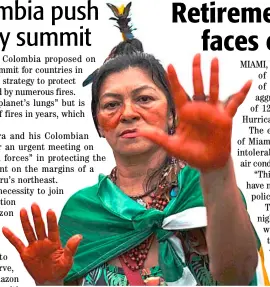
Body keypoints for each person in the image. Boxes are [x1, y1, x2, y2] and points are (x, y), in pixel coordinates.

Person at [2, 2, 269, 286]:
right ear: (98, 125)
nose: (127, 113)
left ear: (172, 115)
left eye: (144, 99)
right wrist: (49, 284)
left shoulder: (204, 187)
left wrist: (216, 170)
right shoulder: (81, 211)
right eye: (111, 104)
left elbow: (238, 276)